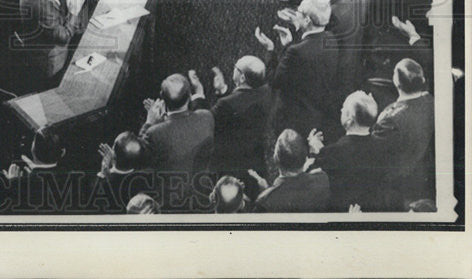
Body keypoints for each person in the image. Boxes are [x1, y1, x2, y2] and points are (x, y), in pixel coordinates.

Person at [255, 0, 341, 139]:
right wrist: (289, 44)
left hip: (294, 120)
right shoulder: (331, 39)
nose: (296, 14)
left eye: (299, 12)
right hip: (317, 114)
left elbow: (274, 80)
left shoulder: (296, 52)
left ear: (307, 20)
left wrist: (271, 50)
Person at [189, 56, 271, 189]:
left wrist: (199, 94)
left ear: (242, 78)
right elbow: (238, 108)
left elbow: (204, 121)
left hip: (228, 169)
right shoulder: (265, 94)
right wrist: (223, 91)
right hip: (255, 167)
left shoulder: (225, 104)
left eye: (236, 68)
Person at [139, 73, 215, 212]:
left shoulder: (154, 133)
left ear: (163, 98)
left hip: (172, 200)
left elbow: (140, 156)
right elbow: (189, 121)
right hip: (203, 192)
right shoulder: (207, 116)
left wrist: (149, 123)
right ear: (190, 96)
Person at [371, 58, 435, 209]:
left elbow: (372, 149)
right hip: (420, 176)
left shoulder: (389, 118)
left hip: (395, 185)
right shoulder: (430, 101)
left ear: (396, 82)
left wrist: (373, 114)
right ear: (423, 79)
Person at [308, 91, 386, 211]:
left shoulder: (333, 152)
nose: (341, 110)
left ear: (349, 120)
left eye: (343, 109)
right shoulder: (381, 147)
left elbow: (315, 177)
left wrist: (316, 152)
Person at [16, 0, 86, 88]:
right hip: (48, 61)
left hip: (31, 43)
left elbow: (47, 1)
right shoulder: (45, 11)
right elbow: (63, 38)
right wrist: (74, 12)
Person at [252, 129, 331, 213]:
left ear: (275, 159)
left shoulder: (264, 202)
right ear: (305, 158)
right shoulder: (322, 180)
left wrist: (267, 192)